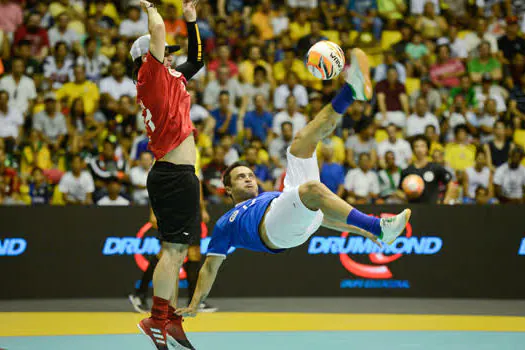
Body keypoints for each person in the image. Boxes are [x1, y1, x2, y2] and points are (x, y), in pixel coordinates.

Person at [176, 49, 410, 320]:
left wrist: (359, 231)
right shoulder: (226, 222)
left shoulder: (274, 195)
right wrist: (194, 304)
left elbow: (321, 218)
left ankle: (350, 91)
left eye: (250, 174)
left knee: (300, 145)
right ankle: (379, 227)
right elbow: (209, 267)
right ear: (227, 189)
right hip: (274, 232)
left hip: (287, 210)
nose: (249, 178)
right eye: (241, 177)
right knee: (310, 191)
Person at [131, 0, 204, 349]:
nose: (172, 57)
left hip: (180, 174)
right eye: (166, 53)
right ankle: (156, 319)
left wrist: (191, 21)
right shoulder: (151, 76)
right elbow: (158, 30)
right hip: (173, 174)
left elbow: (198, 60)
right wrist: (151, 7)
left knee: (177, 252)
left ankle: (170, 317)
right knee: (173, 251)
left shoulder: (170, 79)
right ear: (149, 57)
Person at [397, 135, 454, 204]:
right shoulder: (407, 171)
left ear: (427, 149)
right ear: (413, 149)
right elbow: (399, 191)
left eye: (422, 146)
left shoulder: (435, 167)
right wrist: (408, 196)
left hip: (432, 209)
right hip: (413, 209)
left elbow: (450, 183)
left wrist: (446, 200)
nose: (419, 149)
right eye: (416, 146)